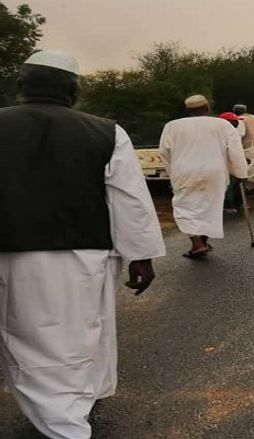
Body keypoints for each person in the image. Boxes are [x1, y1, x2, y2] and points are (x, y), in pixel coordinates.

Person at [0, 50, 165, 439]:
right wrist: (140, 256)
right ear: (74, 90)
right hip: (77, 258)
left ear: (21, 85)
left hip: (7, 248)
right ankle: (66, 426)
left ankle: (57, 409)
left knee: (21, 334)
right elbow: (129, 200)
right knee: (67, 341)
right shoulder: (106, 131)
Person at [159, 95, 248, 258]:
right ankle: (203, 243)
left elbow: (164, 152)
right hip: (214, 172)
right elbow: (235, 150)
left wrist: (172, 173)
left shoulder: (172, 126)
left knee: (185, 208)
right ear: (207, 108)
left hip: (184, 171)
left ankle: (197, 244)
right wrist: (241, 173)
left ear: (187, 110)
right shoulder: (222, 124)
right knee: (211, 206)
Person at [233, 103, 254, 189]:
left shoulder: (240, 120)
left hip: (250, 146)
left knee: (248, 168)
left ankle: (246, 189)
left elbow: (240, 134)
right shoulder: (253, 117)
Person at [219, 112, 246, 212]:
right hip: (228, 163)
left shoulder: (230, 132)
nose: (237, 123)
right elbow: (234, 152)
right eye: (234, 121)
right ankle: (228, 205)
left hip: (227, 163)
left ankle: (235, 204)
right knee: (230, 184)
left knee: (232, 184)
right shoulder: (229, 133)